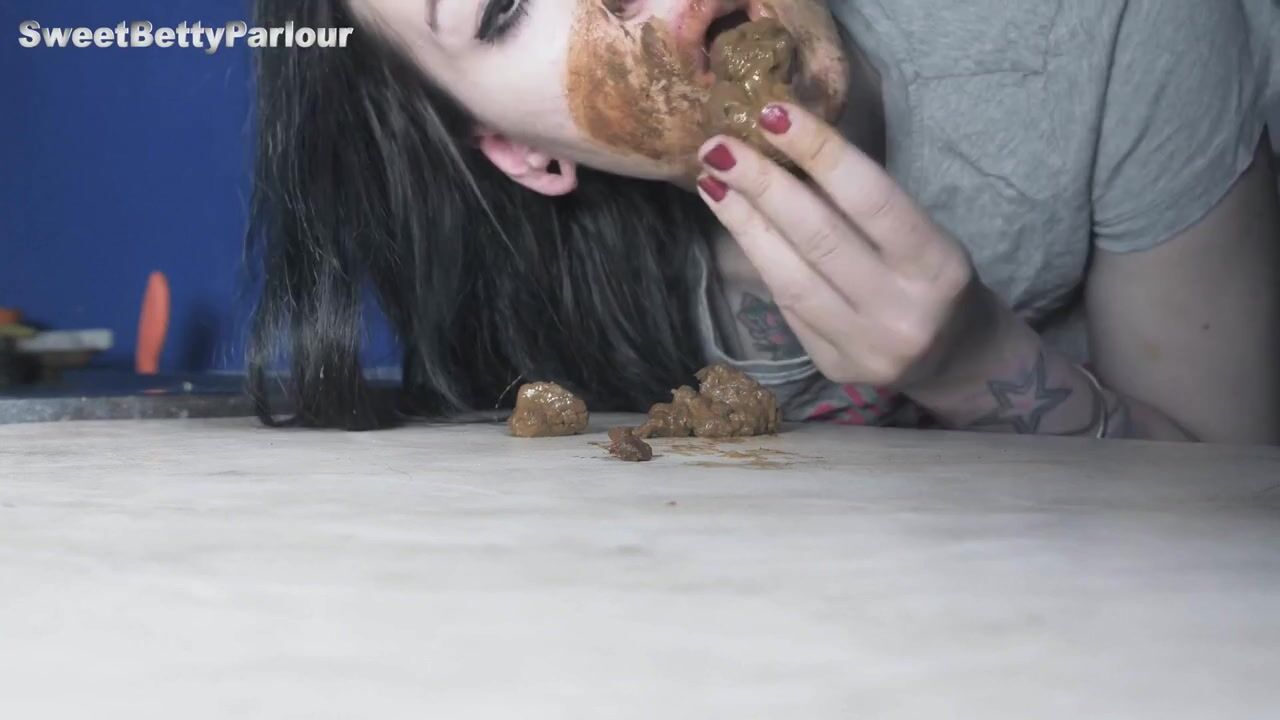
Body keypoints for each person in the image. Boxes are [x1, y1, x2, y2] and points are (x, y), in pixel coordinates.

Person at [246, 0, 1280, 444]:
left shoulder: (1104, 28)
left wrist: (973, 363)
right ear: (520, 154)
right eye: (505, 5)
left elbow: (1225, 510)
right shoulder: (542, 345)